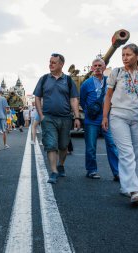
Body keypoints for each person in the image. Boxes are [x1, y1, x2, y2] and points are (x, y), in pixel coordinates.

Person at [102, 43, 138, 204]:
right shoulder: (117, 72)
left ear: (137, 55)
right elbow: (108, 96)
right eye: (123, 55)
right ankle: (134, 190)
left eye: (128, 55)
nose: (125, 58)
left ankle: (125, 186)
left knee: (136, 153)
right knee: (127, 152)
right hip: (118, 116)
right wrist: (105, 116)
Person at [33, 53, 81, 184]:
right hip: (48, 118)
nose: (50, 64)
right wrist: (41, 115)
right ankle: (54, 171)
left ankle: (61, 165)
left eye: (54, 62)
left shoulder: (68, 81)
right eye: (50, 62)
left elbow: (73, 99)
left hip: (65, 118)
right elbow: (37, 97)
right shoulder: (43, 79)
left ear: (61, 64)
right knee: (51, 144)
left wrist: (77, 117)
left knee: (63, 145)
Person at [80, 58, 119, 180]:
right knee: (91, 146)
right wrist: (90, 112)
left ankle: (117, 172)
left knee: (112, 144)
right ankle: (91, 170)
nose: (97, 67)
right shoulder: (86, 83)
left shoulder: (110, 82)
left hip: (107, 119)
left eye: (100, 65)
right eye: (95, 65)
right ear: (92, 68)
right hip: (91, 120)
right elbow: (82, 100)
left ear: (104, 67)